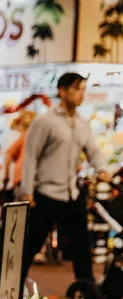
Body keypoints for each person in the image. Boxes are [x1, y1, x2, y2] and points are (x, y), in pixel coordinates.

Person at [21, 73, 117, 284]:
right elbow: (30, 156)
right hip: (46, 193)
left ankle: (87, 291)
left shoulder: (82, 123)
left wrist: (103, 169)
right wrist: (27, 191)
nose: (81, 94)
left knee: (81, 246)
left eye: (83, 89)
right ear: (62, 91)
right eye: (76, 89)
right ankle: (13, 287)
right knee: (31, 245)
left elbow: (93, 151)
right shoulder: (45, 121)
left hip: (72, 193)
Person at [2, 111, 36, 192]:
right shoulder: (30, 134)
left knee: (20, 203)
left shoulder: (25, 135)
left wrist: (6, 176)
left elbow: (9, 153)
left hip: (22, 177)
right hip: (29, 177)